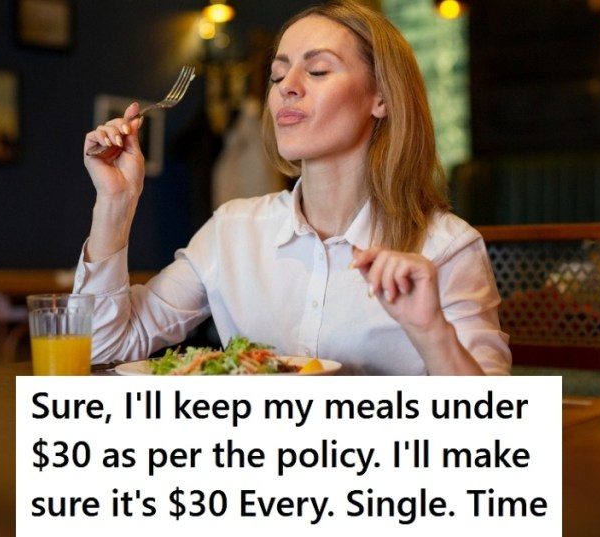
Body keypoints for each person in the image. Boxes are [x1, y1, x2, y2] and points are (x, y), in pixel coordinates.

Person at [75, 0, 511, 375]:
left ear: (382, 97)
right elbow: (102, 347)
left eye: (318, 70)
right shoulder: (232, 230)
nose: (288, 87)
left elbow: (495, 428)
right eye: (278, 75)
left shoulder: (448, 248)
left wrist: (431, 331)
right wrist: (115, 202)